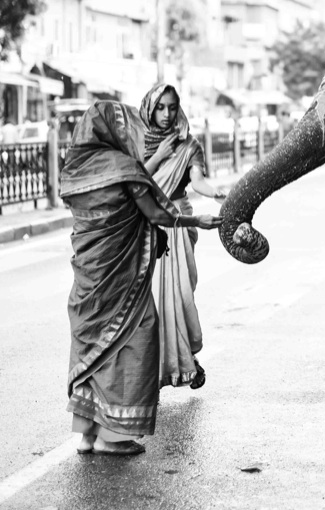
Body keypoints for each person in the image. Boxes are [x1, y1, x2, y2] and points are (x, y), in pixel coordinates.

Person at [60, 100, 220, 456]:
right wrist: (198, 221)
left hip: (90, 278)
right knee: (139, 334)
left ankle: (87, 432)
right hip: (120, 280)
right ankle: (112, 437)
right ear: (116, 131)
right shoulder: (122, 167)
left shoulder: (74, 169)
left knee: (95, 348)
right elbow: (155, 212)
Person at [140, 83, 226, 391]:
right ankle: (152, 369)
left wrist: (218, 193)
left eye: (172, 107)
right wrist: (158, 155)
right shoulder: (139, 140)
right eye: (160, 107)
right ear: (150, 109)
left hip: (178, 220)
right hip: (148, 223)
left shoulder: (189, 145)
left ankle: (183, 362)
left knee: (179, 294)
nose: (166, 114)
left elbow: (198, 181)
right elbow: (133, 181)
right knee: (149, 300)